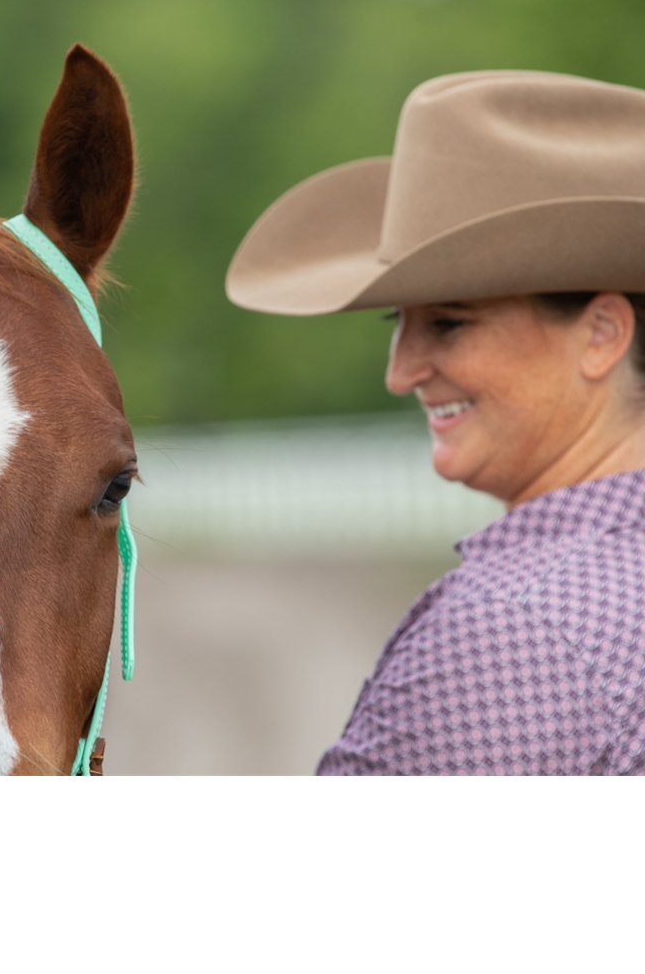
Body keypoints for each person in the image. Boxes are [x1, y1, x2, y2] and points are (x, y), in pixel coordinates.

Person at [226, 70, 645, 775]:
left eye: (449, 323)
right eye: (400, 324)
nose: (401, 372)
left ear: (602, 333)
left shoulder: (514, 632)